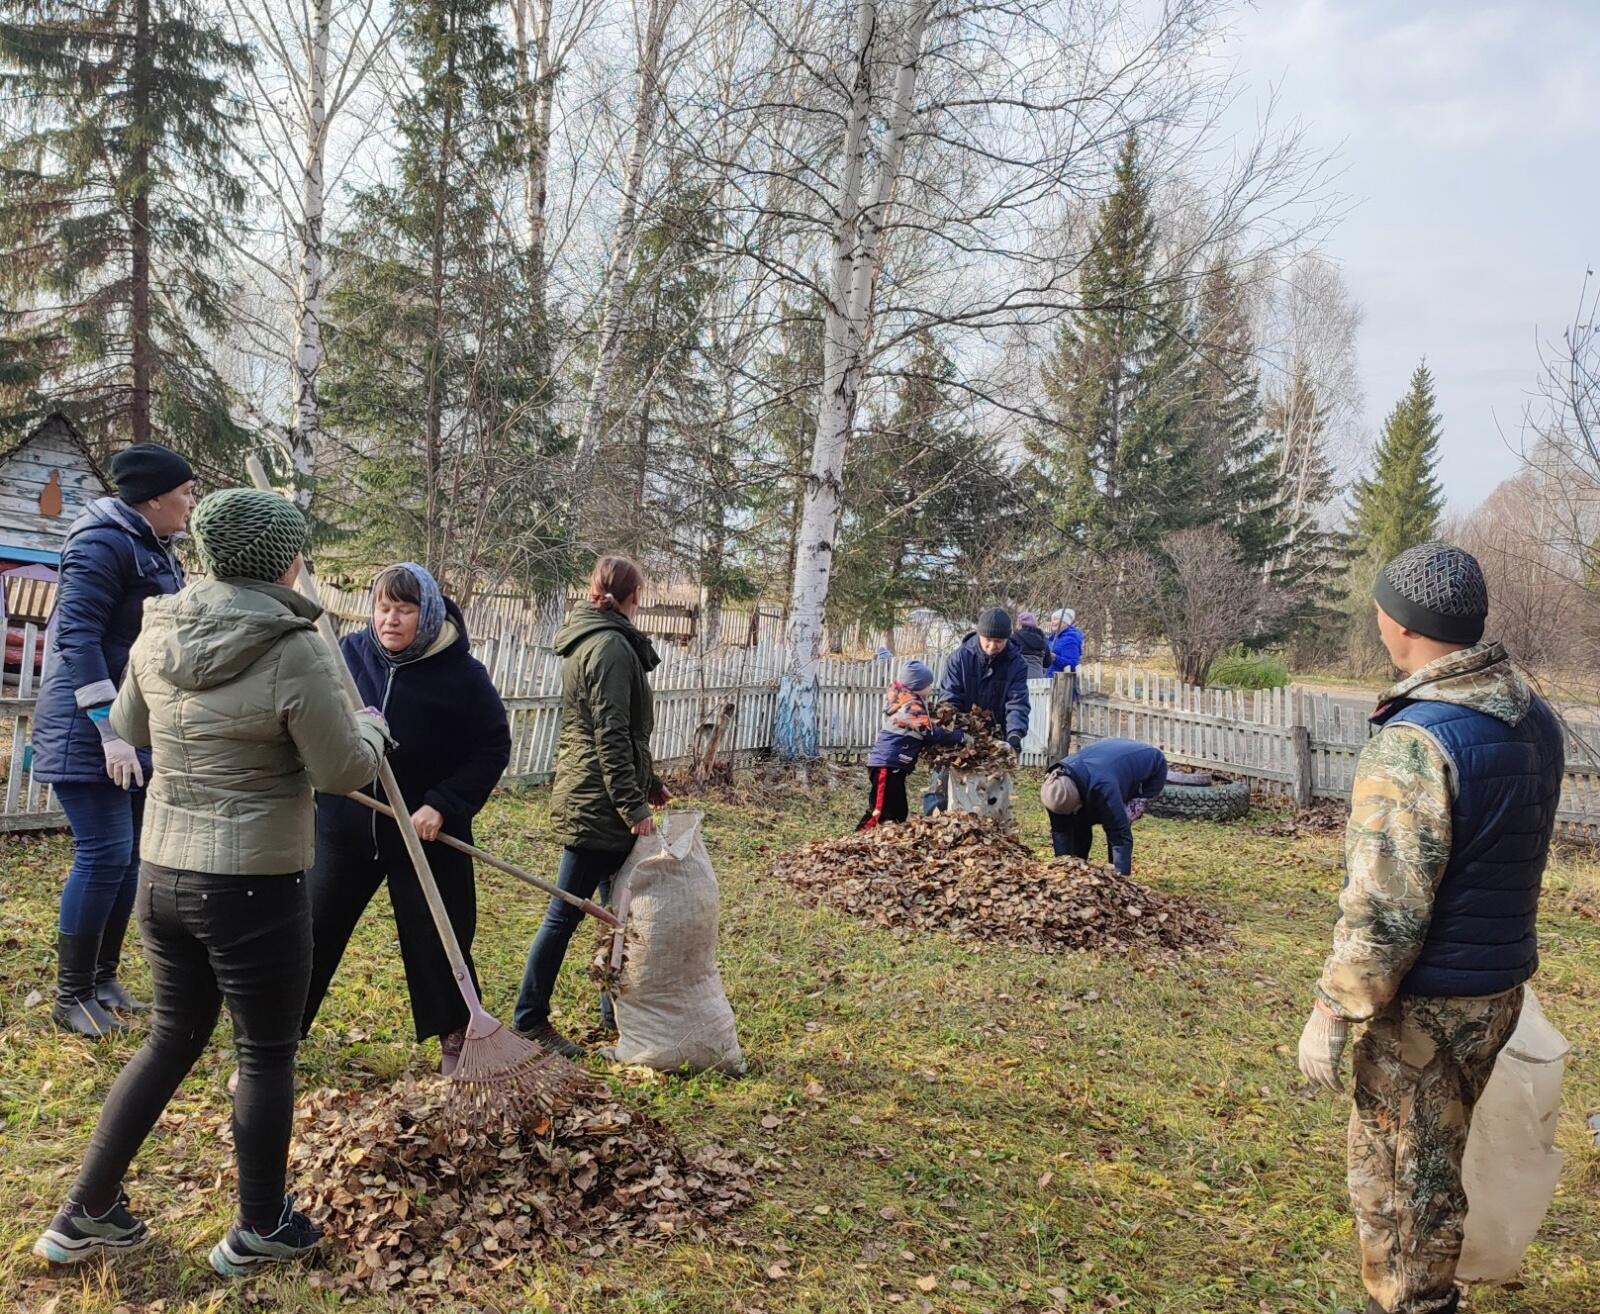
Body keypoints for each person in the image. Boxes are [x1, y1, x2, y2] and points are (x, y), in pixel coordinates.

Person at [31, 488, 390, 1276]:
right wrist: (369, 725)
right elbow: (341, 770)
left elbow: (129, 726)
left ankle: (83, 1211)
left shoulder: (160, 627)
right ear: (285, 559)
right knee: (265, 1053)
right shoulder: (294, 645)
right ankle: (261, 1225)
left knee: (171, 1039)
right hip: (254, 883)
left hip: (163, 873)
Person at [1296, 542, 1563, 1314]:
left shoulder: (1416, 742)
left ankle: (1416, 1303)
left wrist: (1332, 1009)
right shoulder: (1531, 716)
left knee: (1400, 1185)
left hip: (1429, 1007)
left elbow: (1385, 909)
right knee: (1439, 1162)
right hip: (1498, 985)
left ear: (1401, 624)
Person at [300, 563, 510, 1077]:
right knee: (310, 930)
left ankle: (459, 1038)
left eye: (405, 610)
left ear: (429, 613)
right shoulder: (347, 655)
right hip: (345, 824)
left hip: (426, 830)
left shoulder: (461, 673)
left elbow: (492, 746)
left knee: (439, 935)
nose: (390, 620)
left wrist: (445, 803)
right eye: (384, 608)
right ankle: (274, 1037)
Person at [31, 443, 195, 1037]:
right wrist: (107, 728)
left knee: (126, 858)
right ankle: (69, 995)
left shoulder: (152, 546)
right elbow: (75, 634)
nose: (190, 502)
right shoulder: (100, 542)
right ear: (153, 497)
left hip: (132, 725)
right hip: (88, 728)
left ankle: (101, 979)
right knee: (103, 854)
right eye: (184, 492)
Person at [514, 555, 667, 1057]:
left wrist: (652, 784)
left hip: (600, 797)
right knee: (566, 915)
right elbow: (610, 736)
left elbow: (622, 735)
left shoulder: (599, 640)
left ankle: (618, 1016)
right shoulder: (609, 648)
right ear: (633, 596)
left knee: (619, 916)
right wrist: (633, 807)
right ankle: (530, 1019)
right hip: (597, 805)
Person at [922, 608, 1030, 816]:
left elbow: (1017, 702)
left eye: (999, 641)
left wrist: (1015, 734)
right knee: (939, 784)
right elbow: (949, 698)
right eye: (988, 640)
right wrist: (956, 732)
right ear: (979, 634)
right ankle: (932, 826)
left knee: (992, 790)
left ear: (1007, 639)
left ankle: (988, 832)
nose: (992, 646)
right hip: (958, 733)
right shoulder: (960, 658)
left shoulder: (1017, 664)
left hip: (995, 734)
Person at [858, 660, 963, 830]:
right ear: (917, 686)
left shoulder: (910, 703)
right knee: (879, 811)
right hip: (887, 766)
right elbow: (931, 733)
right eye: (929, 684)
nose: (931, 687)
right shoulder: (910, 707)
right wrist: (960, 737)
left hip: (895, 767)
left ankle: (887, 842)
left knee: (899, 811)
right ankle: (856, 840)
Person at [1039, 737, 1167, 876]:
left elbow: (1119, 835)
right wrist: (1064, 870)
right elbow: (1060, 830)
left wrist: (1120, 881)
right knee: (1080, 822)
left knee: (1118, 819)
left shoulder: (1104, 788)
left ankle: (1115, 874)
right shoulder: (1054, 787)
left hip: (1149, 767)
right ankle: (1077, 869)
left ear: (1079, 801)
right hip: (1104, 766)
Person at [1044, 608, 1084, 677]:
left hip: (1061, 682)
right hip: (1049, 680)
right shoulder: (1052, 638)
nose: (1052, 622)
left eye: (1055, 619)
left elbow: (1072, 664)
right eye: (1052, 620)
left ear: (1065, 622)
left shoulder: (1070, 640)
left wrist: (1055, 658)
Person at [1014, 612, 1049, 680]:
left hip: (1019, 677)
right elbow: (1047, 663)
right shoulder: (1042, 639)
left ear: (1020, 624)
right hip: (1037, 679)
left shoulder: (1014, 637)